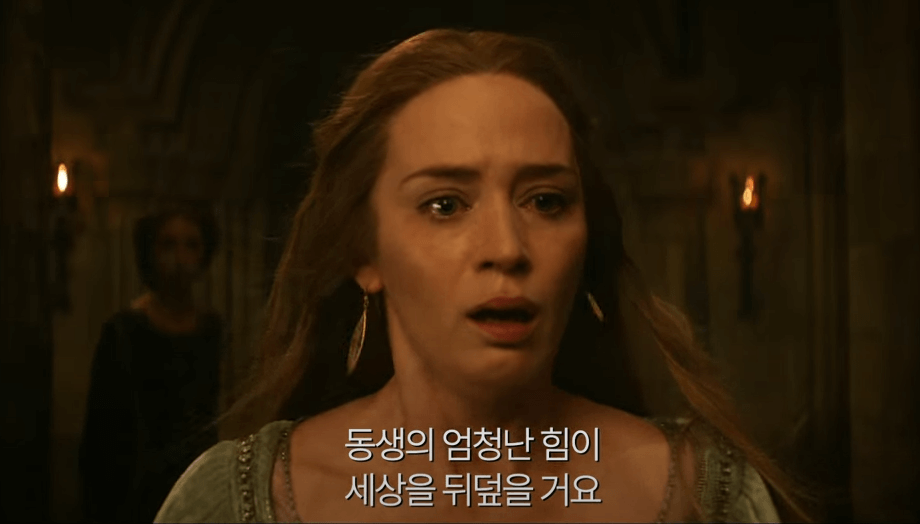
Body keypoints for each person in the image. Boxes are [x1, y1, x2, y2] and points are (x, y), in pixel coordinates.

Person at [155, 29, 811, 523]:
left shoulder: (705, 495)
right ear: (365, 253)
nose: (507, 248)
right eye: (445, 205)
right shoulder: (243, 499)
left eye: (545, 201)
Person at [79, 205, 224, 523]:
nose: (180, 257)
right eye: (168, 245)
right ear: (150, 253)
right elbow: (100, 434)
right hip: (131, 492)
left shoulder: (211, 330)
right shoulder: (123, 330)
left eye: (191, 245)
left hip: (195, 486)